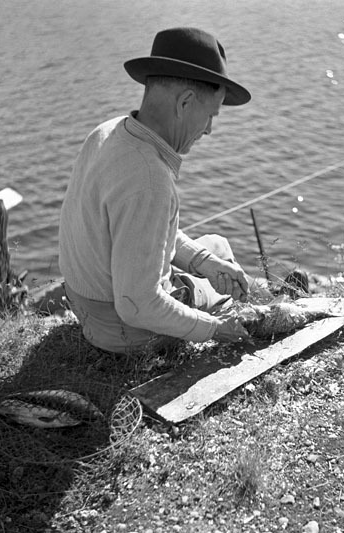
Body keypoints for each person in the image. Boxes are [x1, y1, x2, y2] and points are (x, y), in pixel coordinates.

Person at [58, 27, 255, 354]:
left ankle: (210, 274)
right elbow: (137, 304)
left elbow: (139, 231)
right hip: (125, 331)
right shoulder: (149, 178)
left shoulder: (108, 133)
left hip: (89, 309)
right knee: (232, 296)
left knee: (215, 249)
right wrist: (215, 329)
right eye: (210, 115)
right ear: (186, 103)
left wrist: (203, 262)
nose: (209, 129)